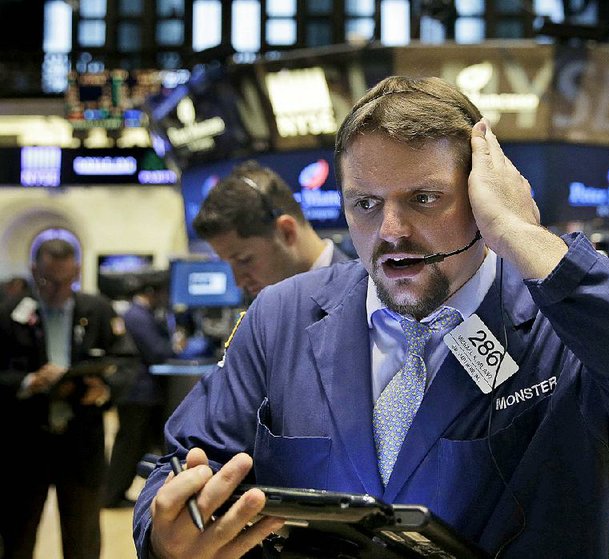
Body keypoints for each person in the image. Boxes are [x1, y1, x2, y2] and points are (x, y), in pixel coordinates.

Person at [133, 76, 609, 558]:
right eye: (365, 203)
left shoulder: (564, 323)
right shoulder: (285, 315)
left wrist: (529, 238)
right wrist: (162, 535)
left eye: (425, 198)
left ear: (481, 191)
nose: (391, 232)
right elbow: (182, 463)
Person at [0, 238, 130, 559]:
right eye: (47, 281)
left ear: (77, 271)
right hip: (24, 445)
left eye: (65, 281)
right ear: (33, 271)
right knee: (17, 536)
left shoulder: (97, 309)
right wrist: (28, 381)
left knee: (83, 538)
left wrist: (105, 388)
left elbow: (127, 361)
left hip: (82, 444)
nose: (57, 289)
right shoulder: (8, 313)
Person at [192, 160, 351, 300]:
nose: (238, 282)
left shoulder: (359, 297)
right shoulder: (267, 308)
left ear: (287, 232)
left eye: (244, 260)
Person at [104, 270, 179, 509]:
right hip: (137, 393)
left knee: (135, 445)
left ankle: (117, 493)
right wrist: (174, 346)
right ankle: (112, 495)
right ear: (152, 292)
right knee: (128, 446)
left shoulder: (142, 314)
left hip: (142, 392)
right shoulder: (137, 317)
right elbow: (157, 351)